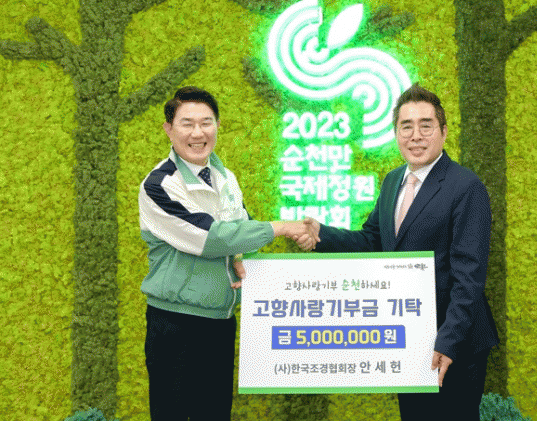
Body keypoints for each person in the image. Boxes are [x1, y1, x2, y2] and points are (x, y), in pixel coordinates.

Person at [298, 83, 499, 420]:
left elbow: (469, 277)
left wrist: (447, 342)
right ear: (396, 134)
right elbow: (372, 241)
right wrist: (322, 235)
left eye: (426, 125)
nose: (415, 135)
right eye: (406, 126)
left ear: (443, 132)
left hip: (455, 344)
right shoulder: (393, 181)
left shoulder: (466, 187)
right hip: (410, 337)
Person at [138, 86, 318, 421]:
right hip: (175, 324)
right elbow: (211, 237)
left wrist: (239, 255)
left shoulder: (224, 177)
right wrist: (282, 227)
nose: (198, 133)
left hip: (220, 322)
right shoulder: (159, 185)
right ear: (168, 129)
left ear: (218, 126)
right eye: (187, 123)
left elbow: (241, 229)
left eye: (206, 123)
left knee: (215, 413)